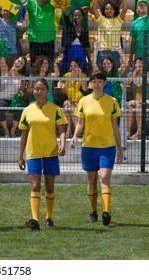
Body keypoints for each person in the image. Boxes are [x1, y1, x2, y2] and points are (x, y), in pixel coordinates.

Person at [70, 70, 123, 226]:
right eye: (94, 81)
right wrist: (74, 136)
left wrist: (119, 148)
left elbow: (115, 127)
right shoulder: (84, 101)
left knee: (104, 177)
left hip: (107, 146)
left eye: (100, 81)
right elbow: (80, 123)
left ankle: (106, 211)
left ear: (104, 83)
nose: (97, 84)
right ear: (90, 84)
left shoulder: (112, 102)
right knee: (91, 180)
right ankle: (93, 212)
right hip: (89, 146)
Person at [18, 78, 67, 231]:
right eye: (36, 89)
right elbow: (24, 134)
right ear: (33, 91)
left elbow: (62, 130)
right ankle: (34, 219)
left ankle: (49, 217)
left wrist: (63, 144)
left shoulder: (55, 109)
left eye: (42, 89)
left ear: (47, 91)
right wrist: (20, 155)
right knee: (35, 185)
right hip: (33, 153)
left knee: (50, 186)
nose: (39, 92)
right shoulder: (27, 110)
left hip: (51, 153)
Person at [0, 56, 29, 137]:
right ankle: (5, 129)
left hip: (14, 100)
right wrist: (2, 50)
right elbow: (2, 61)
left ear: (23, 67)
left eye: (21, 63)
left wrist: (20, 93)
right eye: (18, 61)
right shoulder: (5, 70)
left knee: (20, 107)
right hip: (3, 99)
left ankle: (13, 129)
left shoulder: (22, 76)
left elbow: (22, 89)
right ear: (15, 60)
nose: (19, 64)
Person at [18, 0, 56, 67]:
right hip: (35, 41)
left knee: (49, 66)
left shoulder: (52, 2)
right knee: (35, 66)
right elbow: (23, 1)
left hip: (49, 40)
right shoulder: (31, 3)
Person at [91, 0, 127, 68]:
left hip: (115, 51)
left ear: (114, 10)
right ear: (104, 11)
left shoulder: (119, 19)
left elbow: (125, 9)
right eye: (107, 9)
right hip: (102, 51)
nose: (109, 10)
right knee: (101, 74)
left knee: (114, 74)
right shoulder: (101, 19)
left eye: (111, 9)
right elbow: (93, 9)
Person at [91, 41, 127, 107]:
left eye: (108, 63)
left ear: (112, 64)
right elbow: (93, 64)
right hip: (103, 99)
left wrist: (120, 51)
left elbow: (125, 64)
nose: (106, 65)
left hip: (115, 99)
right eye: (104, 64)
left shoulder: (117, 73)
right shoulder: (101, 74)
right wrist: (95, 50)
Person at [59, 59, 88, 138]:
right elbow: (63, 90)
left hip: (80, 101)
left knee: (67, 106)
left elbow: (85, 89)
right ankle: (77, 128)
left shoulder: (83, 76)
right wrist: (69, 79)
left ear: (79, 67)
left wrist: (80, 76)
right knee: (68, 104)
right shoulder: (66, 76)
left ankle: (68, 130)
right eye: (71, 66)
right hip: (69, 100)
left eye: (75, 66)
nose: (73, 68)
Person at [60, 7, 91, 75]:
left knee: (82, 71)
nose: (77, 17)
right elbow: (66, 17)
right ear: (73, 16)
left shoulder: (85, 29)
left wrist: (89, 59)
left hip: (80, 53)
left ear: (82, 17)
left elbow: (86, 45)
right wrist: (66, 6)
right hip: (70, 52)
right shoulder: (70, 26)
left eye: (79, 15)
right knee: (68, 70)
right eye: (75, 15)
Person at [126, 57, 144, 140]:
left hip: (146, 100)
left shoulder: (147, 74)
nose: (139, 65)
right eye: (137, 63)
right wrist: (135, 72)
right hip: (135, 101)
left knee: (139, 106)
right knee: (130, 105)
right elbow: (127, 82)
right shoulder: (132, 74)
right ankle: (127, 132)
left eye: (141, 63)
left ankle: (139, 133)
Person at [129, 0, 148, 67]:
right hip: (139, 54)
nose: (142, 6)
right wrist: (131, 55)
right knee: (140, 75)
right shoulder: (134, 23)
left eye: (144, 5)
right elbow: (133, 40)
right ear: (137, 9)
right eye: (140, 5)